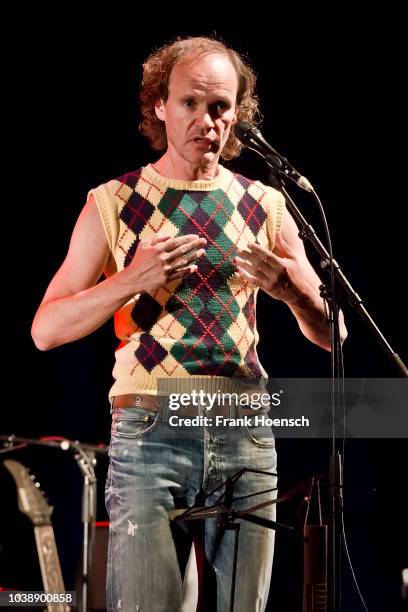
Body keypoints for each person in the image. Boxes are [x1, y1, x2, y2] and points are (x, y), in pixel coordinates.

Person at [32, 36, 346, 612]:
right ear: (159, 105)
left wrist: (294, 294)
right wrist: (130, 280)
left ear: (238, 114)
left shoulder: (267, 204)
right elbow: (46, 329)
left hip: (243, 424)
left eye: (221, 106)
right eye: (190, 103)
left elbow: (334, 337)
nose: (207, 120)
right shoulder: (114, 201)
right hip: (152, 428)